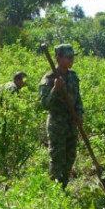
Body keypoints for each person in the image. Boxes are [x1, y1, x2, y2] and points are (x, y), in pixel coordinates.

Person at [39, 44, 84, 189]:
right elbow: (45, 105)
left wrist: (79, 115)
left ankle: (64, 185)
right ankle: (55, 190)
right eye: (68, 57)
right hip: (57, 125)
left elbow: (78, 99)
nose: (71, 59)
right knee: (57, 158)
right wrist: (55, 89)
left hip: (71, 123)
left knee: (70, 156)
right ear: (58, 58)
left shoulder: (73, 76)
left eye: (72, 57)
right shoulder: (49, 79)